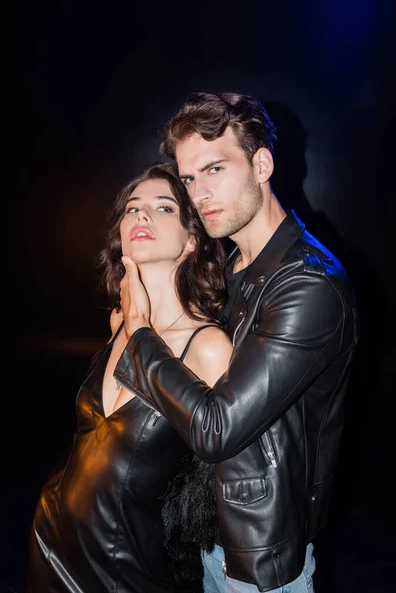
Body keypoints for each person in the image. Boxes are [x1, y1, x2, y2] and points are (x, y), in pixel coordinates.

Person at [113, 92, 359, 593]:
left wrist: (140, 333)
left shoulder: (309, 285)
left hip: (260, 561)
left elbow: (217, 427)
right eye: (188, 177)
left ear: (261, 164)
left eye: (215, 169)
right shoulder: (236, 266)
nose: (198, 193)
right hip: (213, 533)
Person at [26, 161, 233, 593]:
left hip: (131, 570)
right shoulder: (118, 322)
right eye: (132, 208)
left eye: (163, 208)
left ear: (192, 241)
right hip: (51, 539)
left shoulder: (208, 347)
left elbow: (224, 484)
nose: (141, 215)